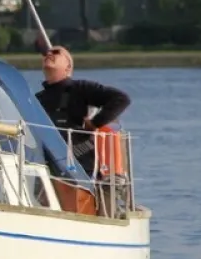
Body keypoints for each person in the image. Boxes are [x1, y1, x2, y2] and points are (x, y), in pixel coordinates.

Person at [35, 45, 130, 177]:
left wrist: (95, 123)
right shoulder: (36, 99)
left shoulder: (80, 89)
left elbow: (121, 99)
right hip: (46, 168)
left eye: (56, 52)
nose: (49, 54)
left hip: (80, 169)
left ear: (68, 67)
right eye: (46, 53)